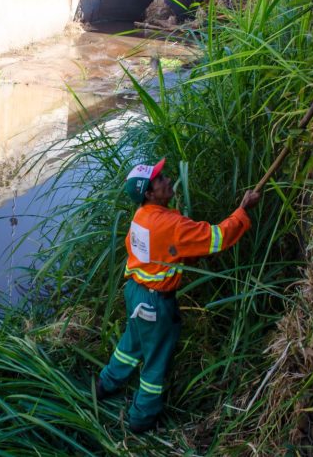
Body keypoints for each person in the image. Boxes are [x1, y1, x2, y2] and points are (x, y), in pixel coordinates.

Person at [96, 158, 260, 433]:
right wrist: (243, 211)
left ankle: (105, 384)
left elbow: (144, 248)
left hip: (135, 292)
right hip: (155, 304)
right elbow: (216, 238)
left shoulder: (141, 215)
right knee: (156, 361)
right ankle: (141, 419)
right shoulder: (170, 225)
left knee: (131, 343)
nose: (168, 179)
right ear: (149, 193)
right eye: (160, 179)